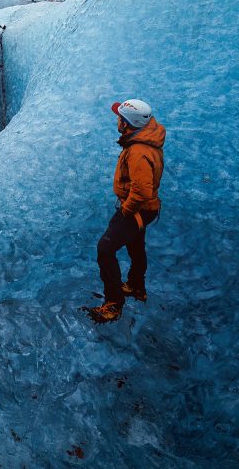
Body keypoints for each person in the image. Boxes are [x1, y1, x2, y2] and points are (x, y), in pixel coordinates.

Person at [87, 99, 166, 323]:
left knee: (105, 248)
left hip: (138, 209)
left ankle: (113, 303)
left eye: (119, 118)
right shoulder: (142, 139)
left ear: (127, 123)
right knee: (135, 244)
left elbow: (141, 190)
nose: (117, 120)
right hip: (146, 209)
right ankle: (135, 286)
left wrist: (127, 210)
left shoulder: (138, 152)